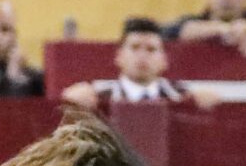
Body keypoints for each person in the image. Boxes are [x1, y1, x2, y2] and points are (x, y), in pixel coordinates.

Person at [60, 19, 221, 110]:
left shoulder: (184, 97)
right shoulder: (97, 96)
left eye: (151, 49)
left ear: (164, 60)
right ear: (119, 56)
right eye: (135, 47)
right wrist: (68, 101)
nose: (142, 56)